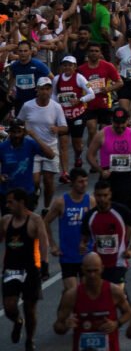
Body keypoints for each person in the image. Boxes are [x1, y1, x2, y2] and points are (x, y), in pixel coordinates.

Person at [1, 189, 51, 349]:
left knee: (30, 309)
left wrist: (44, 264)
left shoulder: (35, 220)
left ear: (21, 202)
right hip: (11, 268)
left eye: (11, 202)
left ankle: (30, 339)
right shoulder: (5, 221)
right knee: (9, 307)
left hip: (30, 269)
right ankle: (17, 321)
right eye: (6, 202)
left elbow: (44, 242)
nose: (7, 205)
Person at [53, 252, 131, 349]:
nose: (92, 275)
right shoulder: (72, 295)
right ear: (82, 269)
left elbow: (128, 312)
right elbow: (58, 326)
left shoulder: (114, 291)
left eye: (95, 270)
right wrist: (66, 325)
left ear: (102, 269)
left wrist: (116, 323)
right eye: (89, 271)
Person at [16, 78, 67, 211]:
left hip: (50, 147)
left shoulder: (56, 107)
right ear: (37, 90)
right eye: (42, 89)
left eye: (47, 89)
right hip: (32, 148)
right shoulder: (28, 106)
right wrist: (23, 132)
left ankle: (46, 207)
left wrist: (57, 129)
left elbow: (64, 127)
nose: (45, 92)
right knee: (35, 181)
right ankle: (36, 192)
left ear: (50, 91)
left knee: (49, 181)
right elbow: (19, 121)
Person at [81, 178, 131, 286]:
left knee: (117, 295)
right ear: (94, 195)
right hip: (98, 266)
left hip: (118, 263)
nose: (102, 199)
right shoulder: (90, 216)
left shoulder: (120, 211)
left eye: (105, 195)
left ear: (110, 195)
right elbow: (84, 237)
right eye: (99, 196)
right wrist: (82, 245)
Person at [86, 107, 131, 210]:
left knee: (127, 213)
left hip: (127, 179)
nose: (120, 126)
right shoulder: (102, 134)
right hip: (109, 179)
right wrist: (100, 170)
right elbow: (90, 155)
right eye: (117, 123)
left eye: (123, 123)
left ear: (128, 121)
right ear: (112, 120)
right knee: (106, 212)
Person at [45, 167, 91, 291]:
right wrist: (53, 245)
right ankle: (64, 308)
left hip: (87, 256)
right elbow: (45, 222)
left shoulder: (91, 201)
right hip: (68, 256)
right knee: (72, 292)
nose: (84, 185)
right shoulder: (61, 202)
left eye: (86, 181)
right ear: (72, 183)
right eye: (80, 182)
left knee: (86, 292)